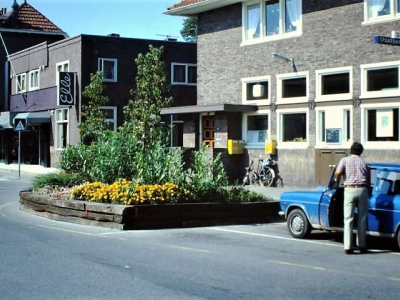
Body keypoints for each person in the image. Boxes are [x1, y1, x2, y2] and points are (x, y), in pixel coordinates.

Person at [334, 142, 369, 255]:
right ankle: (362, 245)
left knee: (348, 219)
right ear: (361, 151)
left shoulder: (344, 160)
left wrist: (336, 181)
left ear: (351, 150)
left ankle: (348, 247)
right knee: (362, 218)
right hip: (362, 189)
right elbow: (367, 178)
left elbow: (338, 172)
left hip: (349, 189)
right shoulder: (364, 162)